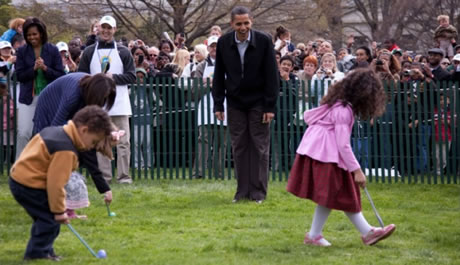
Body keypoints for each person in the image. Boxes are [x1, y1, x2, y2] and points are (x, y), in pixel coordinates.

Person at [287, 68, 395, 247]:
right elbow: (343, 144)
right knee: (339, 193)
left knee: (336, 193)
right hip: (325, 154)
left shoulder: (338, 105)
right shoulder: (344, 110)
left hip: (320, 152)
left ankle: (318, 235)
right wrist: (357, 171)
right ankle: (365, 232)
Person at [9, 105, 112, 261]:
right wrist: (59, 211)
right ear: (83, 130)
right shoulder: (65, 149)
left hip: (19, 178)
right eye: (93, 141)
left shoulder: (56, 131)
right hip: (29, 184)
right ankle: (37, 255)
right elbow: (56, 184)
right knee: (49, 219)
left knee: (45, 219)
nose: (92, 147)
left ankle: (45, 251)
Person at [212, 6, 279, 203]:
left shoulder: (264, 41)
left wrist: (269, 106)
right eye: (239, 23)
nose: (243, 27)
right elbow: (219, 75)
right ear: (232, 24)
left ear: (252, 22)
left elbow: (272, 75)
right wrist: (218, 103)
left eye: (246, 23)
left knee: (259, 145)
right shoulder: (224, 42)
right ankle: (241, 191)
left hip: (259, 101)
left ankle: (258, 192)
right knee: (239, 145)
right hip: (235, 102)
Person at [32, 72, 117, 218]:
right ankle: (50, 206)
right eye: (103, 98)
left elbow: (87, 145)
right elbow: (54, 130)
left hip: (65, 111)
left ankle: (65, 208)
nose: (103, 102)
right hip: (50, 106)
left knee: (72, 158)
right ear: (96, 93)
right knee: (55, 157)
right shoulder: (73, 96)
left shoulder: (90, 91)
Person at [78, 15, 136, 184]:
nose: (106, 31)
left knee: (124, 141)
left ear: (114, 30)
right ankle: (104, 176)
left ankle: (124, 176)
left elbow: (132, 76)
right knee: (100, 140)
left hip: (120, 103)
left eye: (109, 28)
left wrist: (113, 78)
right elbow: (80, 76)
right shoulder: (89, 51)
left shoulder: (123, 51)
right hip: (98, 104)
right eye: (103, 27)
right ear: (98, 29)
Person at [15, 17, 65, 159]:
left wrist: (45, 68)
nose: (32, 37)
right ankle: (20, 168)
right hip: (28, 99)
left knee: (47, 134)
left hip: (49, 99)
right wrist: (33, 69)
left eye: (34, 34)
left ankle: (46, 168)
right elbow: (19, 76)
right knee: (24, 132)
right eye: (29, 35)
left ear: (41, 33)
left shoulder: (53, 50)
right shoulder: (22, 52)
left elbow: (60, 75)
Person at [194, 35, 228, 179]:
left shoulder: (228, 63)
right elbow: (194, 90)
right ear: (208, 48)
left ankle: (218, 173)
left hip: (224, 105)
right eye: (212, 46)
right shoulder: (201, 66)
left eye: (217, 46)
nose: (215, 49)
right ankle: (199, 172)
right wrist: (205, 85)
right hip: (205, 105)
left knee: (222, 141)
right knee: (204, 139)